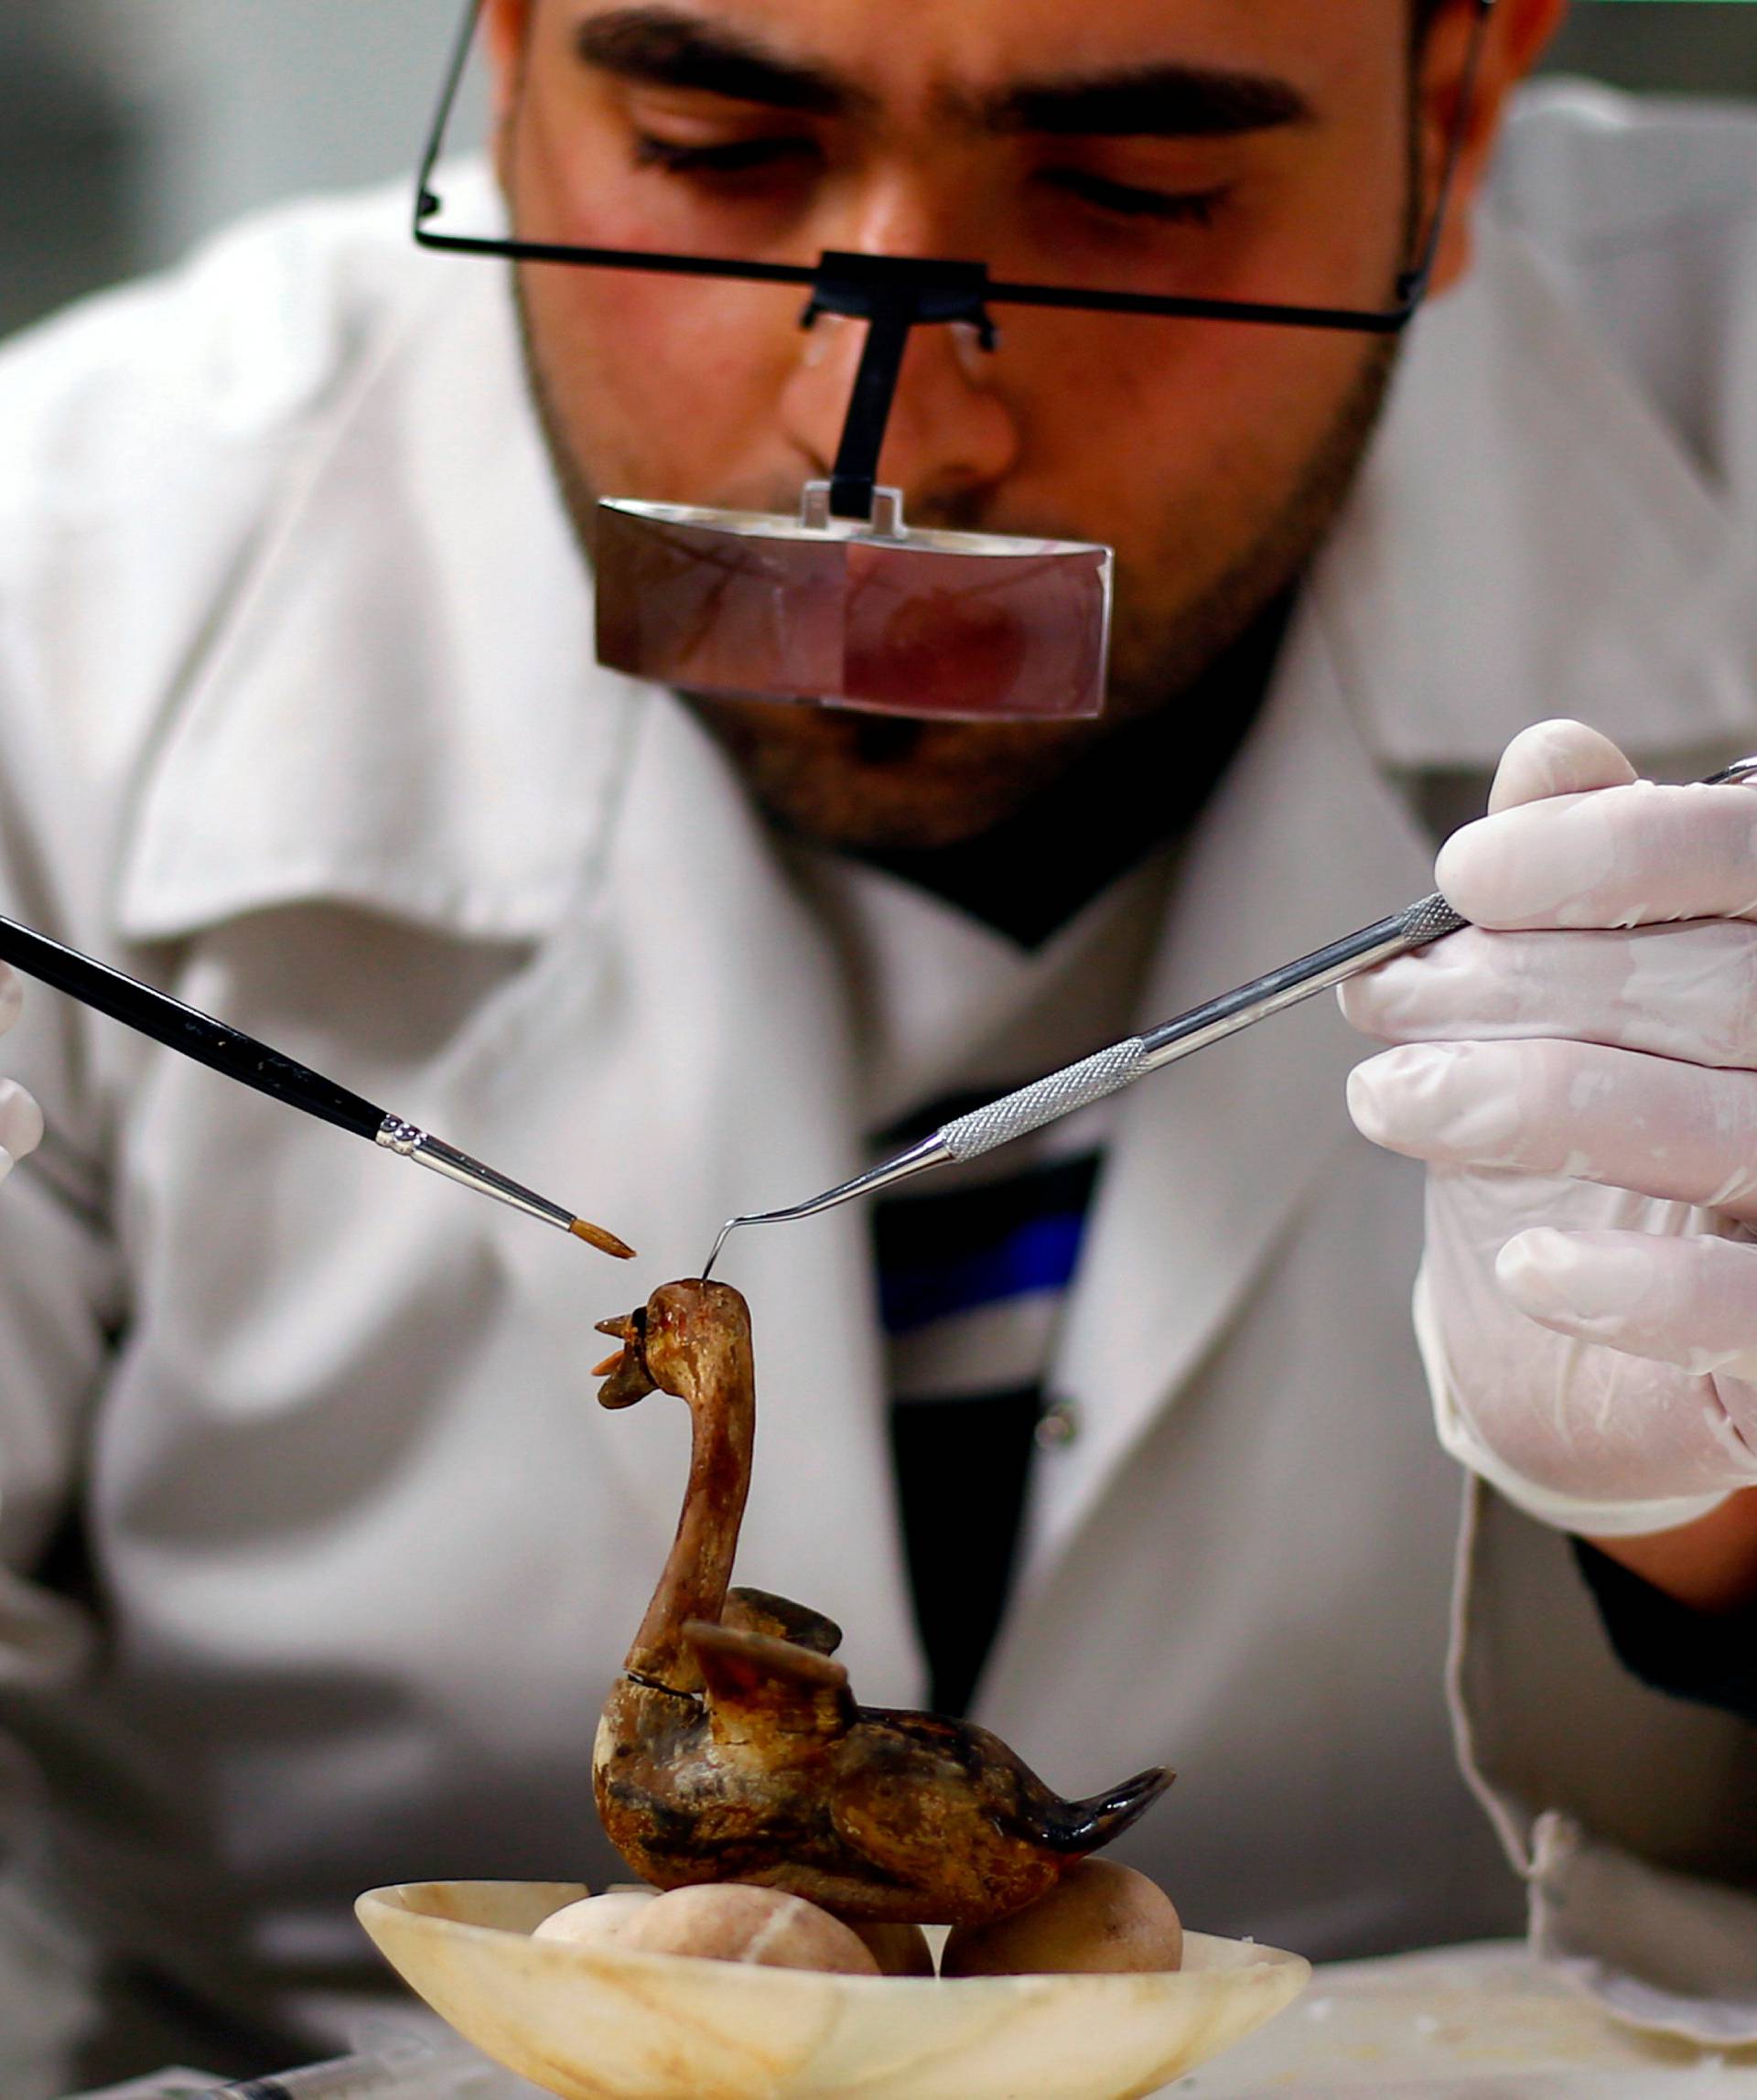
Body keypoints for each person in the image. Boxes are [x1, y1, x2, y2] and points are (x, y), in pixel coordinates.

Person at [1, 0, 1755, 2086]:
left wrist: (1709, 1559)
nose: (889, 444)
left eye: (1134, 191)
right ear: (504, 48)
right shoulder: (58, 591)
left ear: (1452, 111)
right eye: (713, 145)